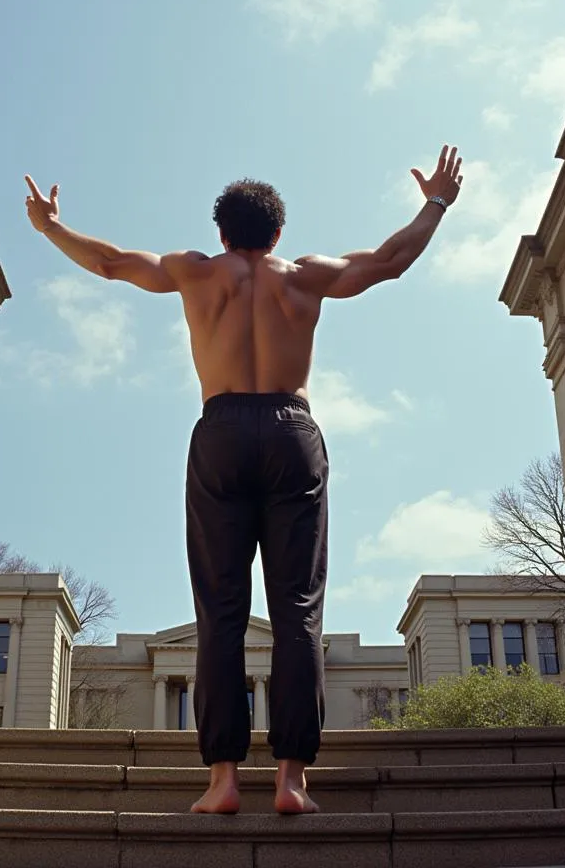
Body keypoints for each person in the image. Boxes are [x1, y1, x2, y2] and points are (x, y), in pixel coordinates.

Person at [24, 144, 463, 814]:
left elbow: (111, 263)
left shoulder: (195, 272)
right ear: (278, 232)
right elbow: (390, 260)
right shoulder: (307, 275)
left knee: (221, 614)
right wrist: (435, 202)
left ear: (221, 232)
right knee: (297, 613)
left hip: (221, 429)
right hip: (292, 428)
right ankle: (291, 780)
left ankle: (223, 780)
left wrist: (51, 226)